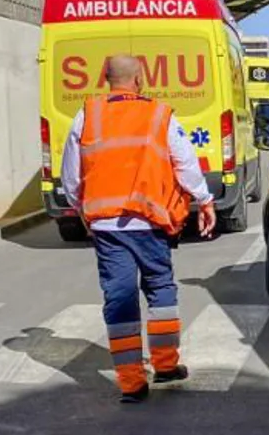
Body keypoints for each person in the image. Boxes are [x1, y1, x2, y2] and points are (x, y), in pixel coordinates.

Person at [60, 54, 216, 403]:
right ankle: (164, 365)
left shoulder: (87, 115)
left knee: (119, 298)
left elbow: (70, 176)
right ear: (140, 79)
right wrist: (204, 201)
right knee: (160, 289)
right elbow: (185, 165)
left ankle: (131, 383)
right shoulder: (160, 115)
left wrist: (82, 209)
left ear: (104, 77)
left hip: (106, 225)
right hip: (150, 222)